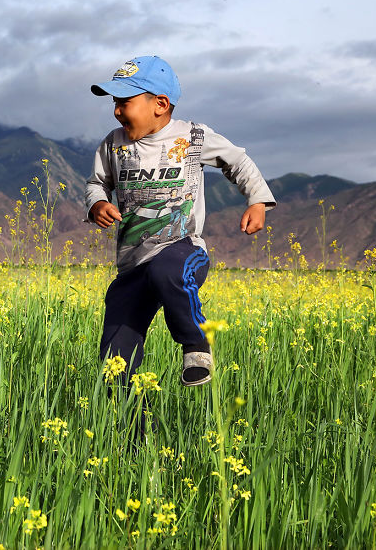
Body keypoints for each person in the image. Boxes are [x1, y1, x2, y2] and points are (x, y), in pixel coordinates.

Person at [85, 56, 276, 391]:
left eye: (124, 102)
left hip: (182, 248)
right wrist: (98, 203)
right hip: (132, 263)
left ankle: (196, 345)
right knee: (114, 364)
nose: (117, 111)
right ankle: (136, 436)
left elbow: (239, 161)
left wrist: (257, 201)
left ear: (160, 104)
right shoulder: (113, 144)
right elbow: (97, 182)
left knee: (166, 270)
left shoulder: (193, 137)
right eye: (114, 103)